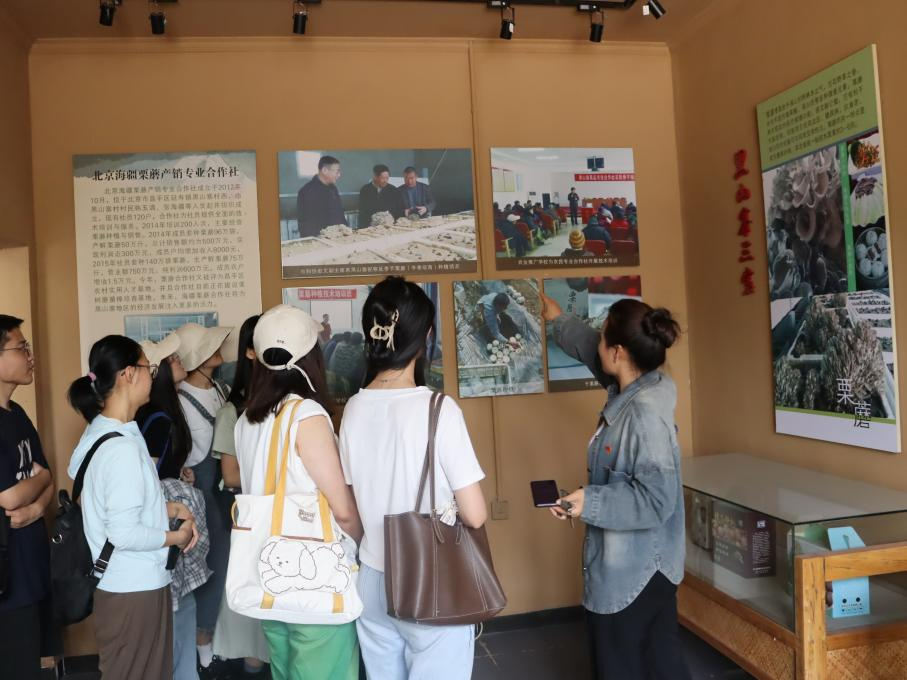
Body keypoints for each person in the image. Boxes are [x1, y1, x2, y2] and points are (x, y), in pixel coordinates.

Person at [339, 276, 486, 680]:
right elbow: (475, 514)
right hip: (430, 575)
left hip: (372, 577)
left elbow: (350, 506)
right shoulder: (439, 409)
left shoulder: (353, 409)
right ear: (426, 337)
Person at [540, 295, 690, 680]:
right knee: (659, 663)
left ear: (619, 352)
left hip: (635, 572)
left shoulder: (642, 414)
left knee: (623, 666)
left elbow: (656, 499)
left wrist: (588, 502)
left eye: (604, 337)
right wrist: (558, 320)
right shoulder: (641, 384)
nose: (598, 344)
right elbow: (591, 346)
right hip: (648, 565)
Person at [234, 304, 363, 680]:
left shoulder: (246, 420)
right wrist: (362, 541)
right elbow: (342, 509)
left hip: (268, 575)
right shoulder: (306, 415)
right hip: (315, 580)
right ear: (310, 357)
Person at [66, 335, 198, 680]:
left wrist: (170, 508)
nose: (152, 375)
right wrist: (177, 537)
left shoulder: (104, 431)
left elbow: (104, 502)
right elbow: (123, 533)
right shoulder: (121, 447)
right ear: (127, 374)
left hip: (125, 584)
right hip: (134, 588)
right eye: (148, 368)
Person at [211, 315, 271, 679]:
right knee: (252, 617)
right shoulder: (232, 411)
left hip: (276, 519)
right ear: (250, 350)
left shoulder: (289, 404)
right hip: (249, 519)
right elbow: (230, 475)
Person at [174, 322, 233, 675]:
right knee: (211, 569)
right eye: (209, 346)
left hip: (226, 491)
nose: (219, 348)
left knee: (227, 568)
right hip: (204, 495)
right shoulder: (180, 400)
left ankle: (218, 647)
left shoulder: (220, 389)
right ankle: (204, 650)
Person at [0, 316, 53, 680]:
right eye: (21, 348)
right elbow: (7, 497)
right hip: (7, 580)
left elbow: (47, 475)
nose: (30, 356)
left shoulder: (17, 414)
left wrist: (35, 506)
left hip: (29, 568)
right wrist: (40, 480)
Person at [136, 332, 193, 482]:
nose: (178, 359)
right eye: (170, 359)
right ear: (158, 371)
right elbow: (147, 479)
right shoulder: (157, 420)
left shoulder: (161, 412)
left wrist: (178, 475)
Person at [296, 156, 346, 238]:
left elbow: (339, 213)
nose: (339, 175)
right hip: (321, 240)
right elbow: (306, 225)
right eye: (337, 172)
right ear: (324, 170)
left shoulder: (333, 188)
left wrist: (345, 229)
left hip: (338, 237)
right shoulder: (307, 191)